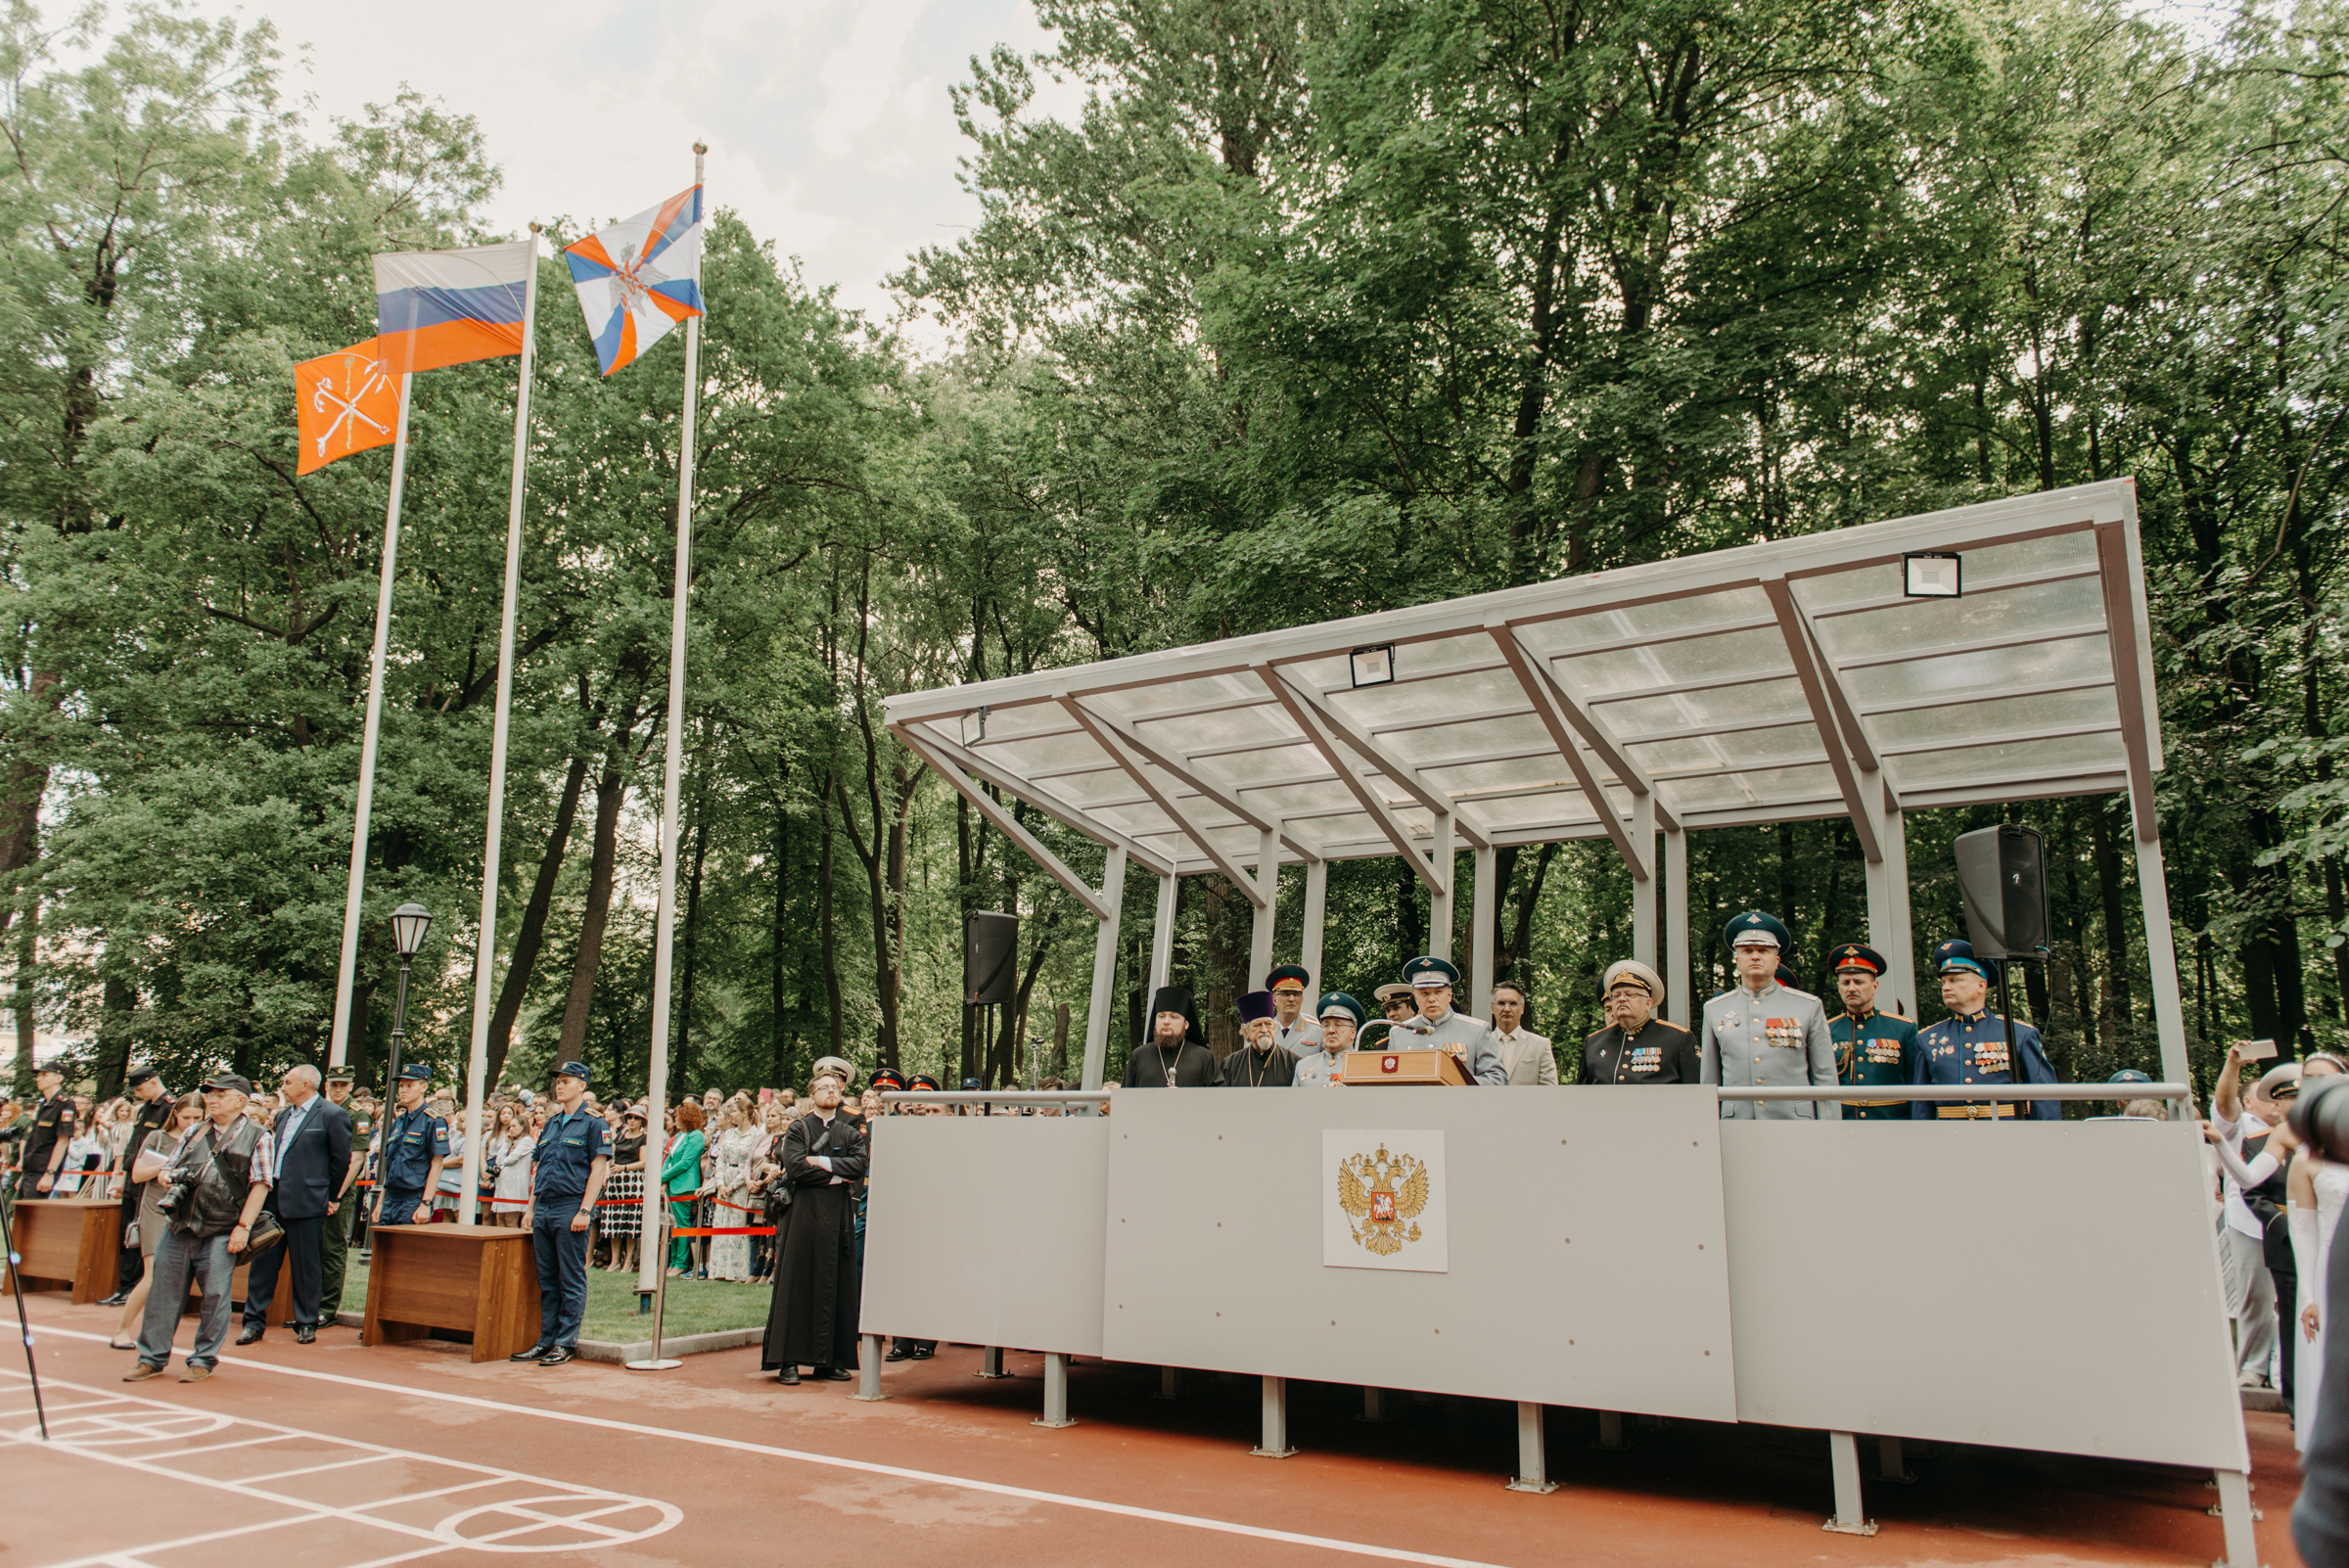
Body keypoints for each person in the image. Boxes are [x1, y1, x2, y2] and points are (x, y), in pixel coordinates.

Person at [124, 1073, 275, 1384]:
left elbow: (260, 1186)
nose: (213, 1098)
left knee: (215, 1296)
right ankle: (151, 1358)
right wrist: (167, 1177)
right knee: (162, 1294)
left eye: (221, 1093)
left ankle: (203, 1359)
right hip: (179, 1225)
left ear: (241, 1101)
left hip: (222, 1228)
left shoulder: (259, 1135)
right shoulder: (194, 1131)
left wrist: (243, 1228)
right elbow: (170, 1165)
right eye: (210, 1093)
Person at [762, 1070, 869, 1385]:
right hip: (803, 1216)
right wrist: (837, 1175)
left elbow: (860, 1165)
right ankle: (788, 1361)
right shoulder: (798, 1128)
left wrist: (818, 1163)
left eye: (835, 1087)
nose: (831, 1091)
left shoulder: (850, 1132)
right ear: (812, 1095)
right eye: (824, 1087)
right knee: (796, 1282)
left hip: (837, 1217)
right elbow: (794, 1167)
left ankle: (831, 1360)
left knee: (836, 1283)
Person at [237, 1064, 351, 1346]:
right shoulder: (284, 1114)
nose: (283, 1087)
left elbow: (341, 1160)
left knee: (306, 1264)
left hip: (307, 1199)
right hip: (274, 1197)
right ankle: (253, 1322)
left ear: (306, 1085)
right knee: (263, 1261)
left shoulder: (332, 1114)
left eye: (288, 1082)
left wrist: (332, 1196)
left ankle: (306, 1322)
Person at [510, 1062, 612, 1366]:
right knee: (547, 1278)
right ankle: (546, 1340)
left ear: (582, 1085)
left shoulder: (595, 1123)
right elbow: (539, 1168)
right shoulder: (551, 1124)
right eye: (558, 1081)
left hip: (571, 1205)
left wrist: (585, 1209)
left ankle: (565, 1342)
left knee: (570, 1277)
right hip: (544, 1206)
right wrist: (530, 1208)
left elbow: (598, 1168)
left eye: (567, 1081)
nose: (560, 1085)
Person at [1701, 912, 1839, 1120]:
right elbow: (1710, 1080)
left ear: (1776, 961)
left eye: (1763, 950)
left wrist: (1830, 1132)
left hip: (1794, 1124)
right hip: (1735, 1125)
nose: (1755, 956)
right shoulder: (1714, 1009)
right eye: (1747, 950)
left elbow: (1825, 1077)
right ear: (1737, 960)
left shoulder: (1808, 1006)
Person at [1910, 939, 2058, 1122]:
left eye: (1955, 980)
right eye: (1944, 982)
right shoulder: (1927, 1039)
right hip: (1950, 1140)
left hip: (2006, 1137)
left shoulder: (2018, 1034)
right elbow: (1921, 1106)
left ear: (1981, 985)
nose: (1946, 987)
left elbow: (2045, 1098)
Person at [109, 1093, 204, 1350]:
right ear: (175, 1115)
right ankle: (123, 1329)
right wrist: (166, 1168)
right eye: (186, 1117)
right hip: (155, 1208)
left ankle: (155, 1337)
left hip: (187, 1211)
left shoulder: (205, 1140)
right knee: (152, 1275)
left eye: (197, 1117)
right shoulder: (158, 1137)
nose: (191, 1122)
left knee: (174, 1278)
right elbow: (137, 1174)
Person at [99, 1065, 175, 1307]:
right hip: (134, 1177)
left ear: (153, 1081)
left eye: (140, 1087)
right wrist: (123, 1176)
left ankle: (134, 1287)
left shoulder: (170, 1106)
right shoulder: (145, 1109)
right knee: (127, 1233)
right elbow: (133, 1145)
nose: (137, 1092)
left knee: (142, 1237)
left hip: (150, 1180)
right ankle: (125, 1286)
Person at [1824, 943, 1918, 1121]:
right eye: (1845, 982)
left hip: (1891, 1126)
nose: (1851, 988)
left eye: (1858, 982)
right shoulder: (1826, 1030)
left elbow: (1916, 1086)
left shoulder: (1903, 1029)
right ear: (1839, 988)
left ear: (1874, 987)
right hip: (1844, 1125)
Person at [1387, 956, 1508, 1084]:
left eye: (1438, 992)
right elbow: (1389, 1080)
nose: (1431, 999)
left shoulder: (1476, 1030)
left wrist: (1458, 1082)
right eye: (1425, 993)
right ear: (1416, 998)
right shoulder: (1398, 1033)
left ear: (1449, 995)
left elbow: (1498, 1079)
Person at [1580, 959, 1699, 1084]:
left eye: (1629, 994)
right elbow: (1580, 1096)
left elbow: (1695, 1093)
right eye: (1616, 995)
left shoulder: (1678, 1039)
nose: (1621, 999)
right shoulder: (1593, 1043)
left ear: (1648, 1004)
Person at [318, 1069, 367, 1316]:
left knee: (333, 1247)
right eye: (334, 1084)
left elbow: (356, 1159)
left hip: (338, 1188)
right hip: (315, 1185)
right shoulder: (319, 1109)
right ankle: (309, 1304)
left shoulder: (357, 1113)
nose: (338, 1089)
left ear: (350, 1086)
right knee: (313, 1247)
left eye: (343, 1085)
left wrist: (335, 1195)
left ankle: (327, 1307)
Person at [373, 1063, 447, 1225]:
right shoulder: (399, 1122)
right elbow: (390, 1165)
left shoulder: (433, 1121)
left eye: (409, 1085)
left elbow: (437, 1165)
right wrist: (380, 1202)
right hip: (390, 1198)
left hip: (413, 1199)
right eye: (401, 1086)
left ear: (424, 1087)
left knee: (407, 1249)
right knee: (384, 1249)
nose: (403, 1090)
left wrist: (425, 1203)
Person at [709, 1100, 764, 1282]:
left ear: (745, 1114)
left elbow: (751, 1163)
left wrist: (733, 1185)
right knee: (722, 1224)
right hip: (724, 1182)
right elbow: (721, 1160)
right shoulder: (728, 1133)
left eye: (734, 1112)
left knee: (738, 1226)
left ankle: (737, 1271)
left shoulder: (756, 1135)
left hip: (741, 1184)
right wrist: (720, 1184)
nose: (731, 1115)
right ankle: (719, 1270)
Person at [1122, 986, 1219, 1087]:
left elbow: (1219, 1097)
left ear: (1186, 1024)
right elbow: (1125, 1097)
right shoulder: (1138, 1056)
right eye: (1161, 1016)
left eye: (1174, 1017)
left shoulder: (1203, 1057)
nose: (1166, 1022)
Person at [18, 1063, 74, 1199]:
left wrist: (50, 1173)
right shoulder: (44, 1105)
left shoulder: (65, 1104)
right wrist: (24, 1174)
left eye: (44, 1075)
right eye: (38, 1076)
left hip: (42, 1170)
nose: (38, 1079)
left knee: (32, 1216)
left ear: (58, 1078)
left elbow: (63, 1141)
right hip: (30, 1169)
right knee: (21, 1215)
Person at [602, 1109, 648, 1273]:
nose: (632, 1121)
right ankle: (615, 1260)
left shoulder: (644, 1138)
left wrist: (624, 1168)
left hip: (633, 1180)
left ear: (642, 1121)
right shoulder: (620, 1136)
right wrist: (608, 1170)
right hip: (616, 1180)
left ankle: (628, 1261)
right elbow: (610, 1156)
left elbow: (644, 1162)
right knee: (614, 1220)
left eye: (636, 1118)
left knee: (631, 1223)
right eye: (630, 1118)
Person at [1222, 990, 1300, 1086]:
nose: (1264, 1030)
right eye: (1257, 1025)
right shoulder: (1230, 1064)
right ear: (1245, 1031)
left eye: (1268, 1024)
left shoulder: (1292, 1062)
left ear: (1275, 1029)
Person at [664, 1100, 706, 1275]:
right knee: (671, 1224)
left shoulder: (696, 1136)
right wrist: (662, 1179)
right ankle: (673, 1261)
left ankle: (681, 1263)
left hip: (684, 1185)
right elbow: (669, 1158)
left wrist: (661, 1177)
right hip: (672, 1184)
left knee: (681, 1225)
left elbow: (685, 1163)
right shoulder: (679, 1136)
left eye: (678, 1116)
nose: (676, 1119)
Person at [1490, 981, 1557, 1085]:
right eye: (1501, 1003)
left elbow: (1549, 1090)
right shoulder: (1482, 1044)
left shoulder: (1541, 1045)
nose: (1507, 1009)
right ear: (1492, 1008)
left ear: (1522, 1008)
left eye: (1513, 1003)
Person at [1294, 993, 1363, 1087]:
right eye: (1326, 1025)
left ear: (1353, 1033)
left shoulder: (1365, 1066)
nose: (1331, 1030)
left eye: (1338, 1025)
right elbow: (1294, 1101)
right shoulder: (1303, 1066)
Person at [488, 1103, 534, 1226]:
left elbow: (511, 1159)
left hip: (516, 1185)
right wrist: (506, 1143)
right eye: (509, 1127)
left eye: (514, 1126)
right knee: (500, 1220)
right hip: (503, 1184)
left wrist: (505, 1156)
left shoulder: (527, 1141)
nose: (511, 1129)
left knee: (510, 1221)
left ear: (522, 1127)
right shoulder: (510, 1142)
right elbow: (499, 1160)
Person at [1265, 966, 1320, 1056]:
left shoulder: (1317, 1032)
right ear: (1274, 1000)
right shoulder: (1263, 1030)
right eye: (1285, 994)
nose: (1291, 999)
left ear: (1301, 999)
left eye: (1296, 994)